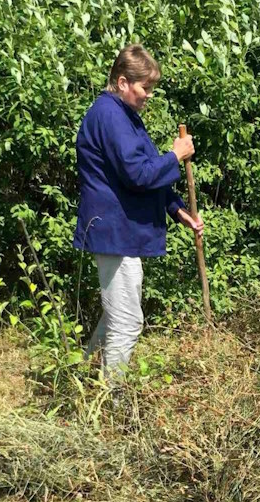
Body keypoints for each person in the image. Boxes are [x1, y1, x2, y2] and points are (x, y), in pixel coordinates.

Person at [73, 44, 202, 384]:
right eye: (145, 88)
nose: (148, 96)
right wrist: (174, 156)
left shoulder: (126, 117)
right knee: (127, 322)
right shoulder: (109, 115)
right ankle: (109, 401)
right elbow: (138, 173)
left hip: (122, 232)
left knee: (116, 315)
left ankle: (83, 380)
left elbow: (142, 175)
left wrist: (177, 210)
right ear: (122, 82)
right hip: (114, 231)